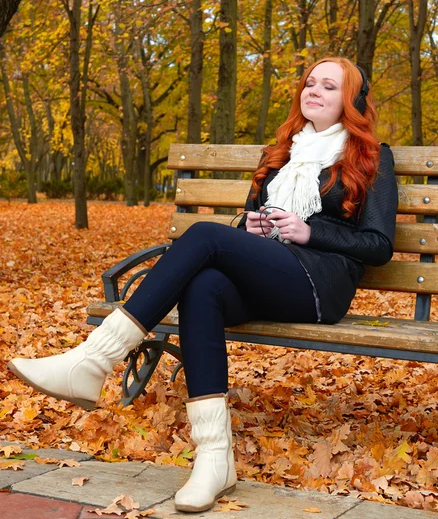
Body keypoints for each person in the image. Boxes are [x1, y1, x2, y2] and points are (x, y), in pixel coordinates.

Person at [8, 57, 398, 513]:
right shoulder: (280, 153)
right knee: (204, 285)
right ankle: (215, 459)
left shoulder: (369, 155)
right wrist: (249, 224)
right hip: (269, 273)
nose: (313, 90)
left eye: (328, 86)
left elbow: (378, 244)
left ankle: (94, 359)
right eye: (309, 82)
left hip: (319, 285)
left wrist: (310, 231)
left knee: (205, 235)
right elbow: (245, 219)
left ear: (351, 100)